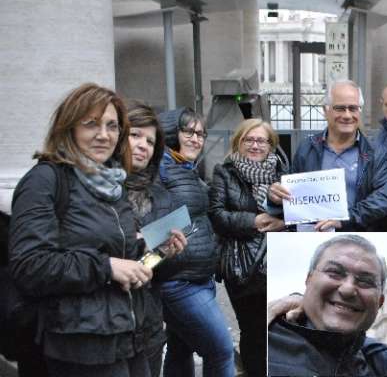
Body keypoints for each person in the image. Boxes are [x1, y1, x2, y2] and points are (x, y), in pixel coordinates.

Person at [9, 83, 156, 375]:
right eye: (91, 124)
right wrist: (106, 267)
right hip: (79, 345)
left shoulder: (113, 183)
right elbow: (30, 265)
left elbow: (115, 252)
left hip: (129, 336)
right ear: (69, 127)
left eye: (112, 126)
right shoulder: (44, 180)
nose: (104, 135)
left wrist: (153, 253)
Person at [158, 108, 234, 376]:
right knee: (222, 352)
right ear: (170, 132)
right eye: (188, 131)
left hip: (197, 277)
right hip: (180, 282)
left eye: (201, 133)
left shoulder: (183, 168)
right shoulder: (160, 168)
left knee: (180, 350)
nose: (196, 138)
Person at [208, 118, 287, 376]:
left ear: (271, 145)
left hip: (278, 260)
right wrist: (253, 221)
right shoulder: (224, 172)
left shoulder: (283, 174)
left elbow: (299, 213)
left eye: (261, 140)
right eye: (249, 140)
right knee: (253, 330)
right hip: (242, 265)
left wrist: (282, 222)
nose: (255, 145)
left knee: (279, 328)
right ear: (238, 142)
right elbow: (217, 215)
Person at [268, 80, 387, 232]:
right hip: (313, 237)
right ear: (325, 110)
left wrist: (344, 219)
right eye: (340, 108)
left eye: (353, 108)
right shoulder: (307, 148)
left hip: (357, 240)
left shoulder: (375, 152)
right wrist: (276, 197)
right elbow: (292, 197)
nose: (347, 115)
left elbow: (384, 199)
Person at [125, 100, 187, 377]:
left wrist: (165, 253)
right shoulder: (96, 190)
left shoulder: (159, 195)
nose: (142, 145)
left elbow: (155, 268)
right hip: (105, 326)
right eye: (135, 135)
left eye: (150, 141)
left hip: (147, 322)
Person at [267, 234, 387, 376]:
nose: (347, 289)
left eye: (365, 281)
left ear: (380, 302)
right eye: (334, 273)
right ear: (308, 280)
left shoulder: (383, 366)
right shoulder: (267, 340)